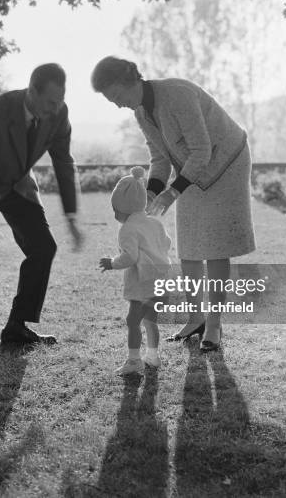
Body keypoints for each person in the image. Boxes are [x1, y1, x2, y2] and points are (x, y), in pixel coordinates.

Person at [92, 57, 255, 352]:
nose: (117, 105)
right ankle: (195, 319)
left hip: (227, 162)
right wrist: (153, 193)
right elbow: (159, 159)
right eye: (110, 101)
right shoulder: (141, 113)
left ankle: (214, 325)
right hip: (194, 169)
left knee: (215, 246)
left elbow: (202, 149)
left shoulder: (177, 94)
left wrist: (173, 192)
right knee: (191, 246)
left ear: (131, 81)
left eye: (116, 96)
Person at [0, 63, 83, 361]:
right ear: (31, 91)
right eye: (50, 101)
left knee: (43, 247)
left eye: (60, 101)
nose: (55, 108)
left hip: (15, 179)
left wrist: (71, 216)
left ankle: (16, 328)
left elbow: (63, 162)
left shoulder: (58, 112)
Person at [99, 166, 172, 375]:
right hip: (161, 279)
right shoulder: (154, 223)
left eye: (115, 210)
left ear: (124, 209)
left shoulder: (127, 229)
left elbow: (129, 256)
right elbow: (166, 242)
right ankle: (153, 355)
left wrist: (112, 262)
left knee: (132, 320)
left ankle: (133, 360)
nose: (115, 214)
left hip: (142, 281)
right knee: (151, 320)